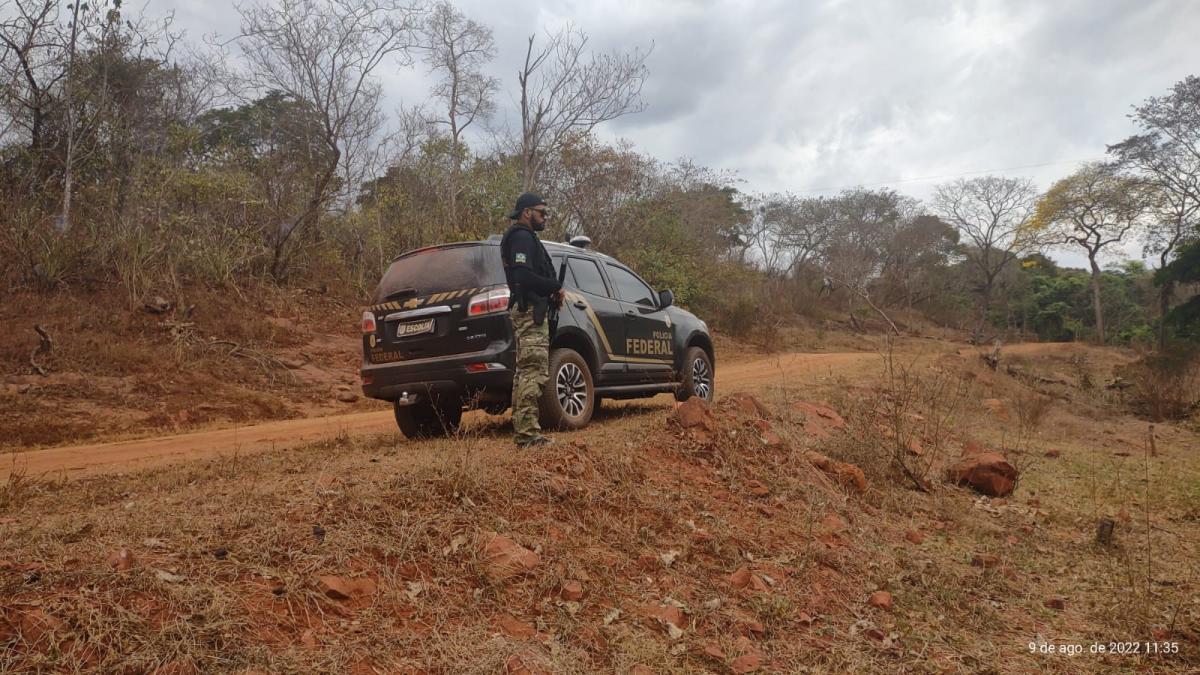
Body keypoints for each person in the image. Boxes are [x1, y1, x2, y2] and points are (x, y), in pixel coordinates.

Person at [500, 192, 563, 447]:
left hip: (530, 310)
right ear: (526, 212)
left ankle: (524, 432)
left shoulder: (524, 238)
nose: (544, 217)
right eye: (541, 212)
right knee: (533, 372)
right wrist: (553, 285)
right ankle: (527, 436)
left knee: (525, 372)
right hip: (529, 311)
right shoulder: (522, 238)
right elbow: (523, 277)